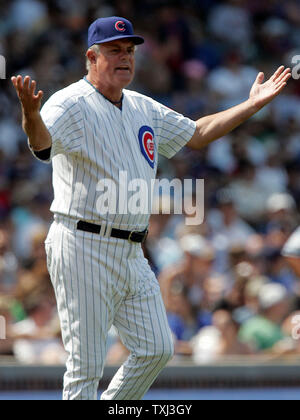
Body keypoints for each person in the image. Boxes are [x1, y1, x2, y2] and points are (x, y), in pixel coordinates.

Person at [11, 16, 291, 400]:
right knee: (85, 368)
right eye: (114, 50)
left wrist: (251, 105)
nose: (125, 57)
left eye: (129, 50)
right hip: (82, 243)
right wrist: (30, 113)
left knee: (157, 348)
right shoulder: (69, 103)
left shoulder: (142, 106)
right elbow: (42, 146)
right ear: (92, 57)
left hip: (131, 248)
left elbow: (197, 134)